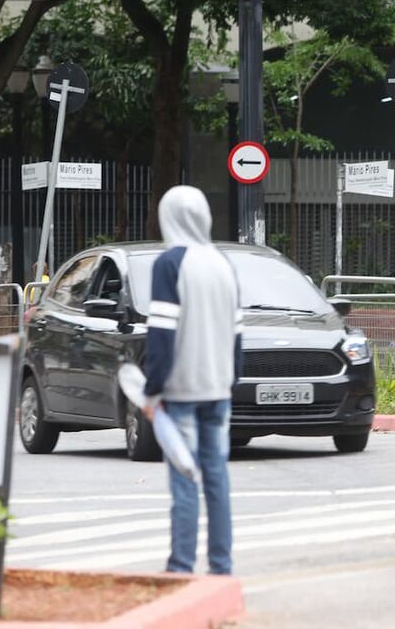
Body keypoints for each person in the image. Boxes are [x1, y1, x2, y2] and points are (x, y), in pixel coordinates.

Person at [142, 185, 241, 575]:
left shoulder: (170, 264)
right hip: (219, 388)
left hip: (181, 390)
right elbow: (237, 336)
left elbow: (161, 335)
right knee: (217, 480)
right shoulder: (224, 264)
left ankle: (181, 565)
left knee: (185, 480)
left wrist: (152, 390)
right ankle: (221, 565)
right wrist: (230, 382)